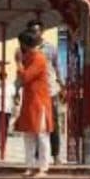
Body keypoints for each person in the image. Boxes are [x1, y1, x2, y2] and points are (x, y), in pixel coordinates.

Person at [14, 28, 53, 177]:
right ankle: (29, 166)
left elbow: (25, 77)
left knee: (41, 135)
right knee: (28, 135)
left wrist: (18, 63)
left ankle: (43, 167)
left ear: (24, 44)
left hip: (39, 102)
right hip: (29, 102)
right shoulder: (29, 58)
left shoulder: (38, 59)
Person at [27, 20, 64, 165]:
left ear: (41, 32)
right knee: (35, 123)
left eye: (36, 31)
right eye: (31, 31)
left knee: (53, 123)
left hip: (50, 90)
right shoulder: (26, 48)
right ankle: (37, 156)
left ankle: (55, 155)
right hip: (34, 91)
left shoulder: (50, 48)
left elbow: (57, 67)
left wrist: (61, 82)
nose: (34, 34)